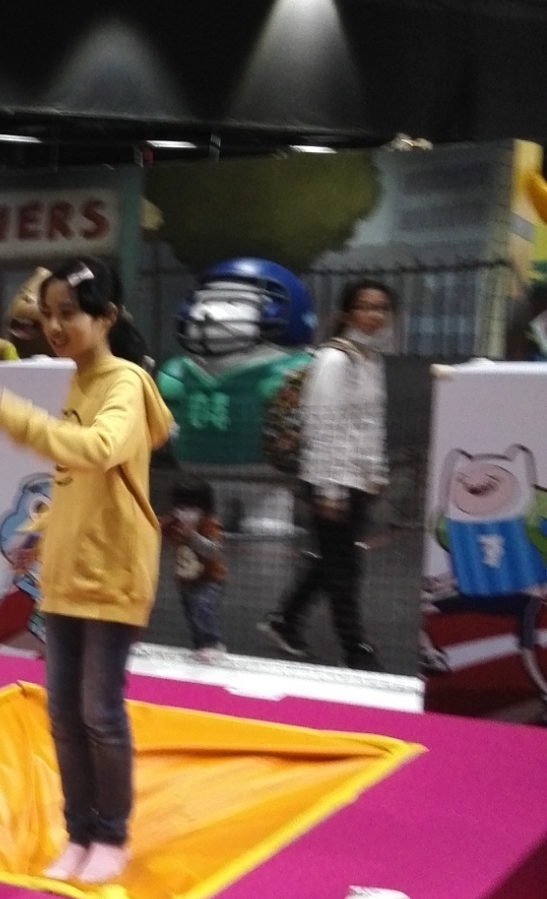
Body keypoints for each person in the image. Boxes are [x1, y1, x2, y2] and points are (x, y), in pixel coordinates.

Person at [0, 258, 173, 888]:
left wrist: (6, 412)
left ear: (105, 318)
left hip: (112, 575)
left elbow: (97, 450)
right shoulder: (79, 380)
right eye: (47, 314)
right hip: (64, 576)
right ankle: (78, 833)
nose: (54, 327)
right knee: (63, 715)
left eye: (68, 314)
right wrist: (44, 534)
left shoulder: (125, 383)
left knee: (99, 712)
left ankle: (111, 835)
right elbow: (77, 482)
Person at [261, 278, 395, 669]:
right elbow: (322, 425)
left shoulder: (371, 359)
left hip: (358, 481)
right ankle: (356, 648)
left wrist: (375, 470)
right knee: (344, 568)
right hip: (331, 480)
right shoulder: (334, 360)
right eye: (365, 307)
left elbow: (370, 422)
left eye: (381, 308)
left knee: (336, 561)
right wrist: (329, 490)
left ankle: (285, 621)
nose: (374, 315)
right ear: (346, 314)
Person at [163, 478, 228, 659]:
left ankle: (213, 643)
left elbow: (214, 550)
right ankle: (201, 645)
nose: (185, 513)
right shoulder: (173, 522)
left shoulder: (209, 524)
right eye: (181, 507)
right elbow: (156, 528)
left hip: (210, 578)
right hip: (185, 580)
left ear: (204, 508)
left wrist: (191, 535)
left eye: (191, 508)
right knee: (192, 612)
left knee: (202, 606)